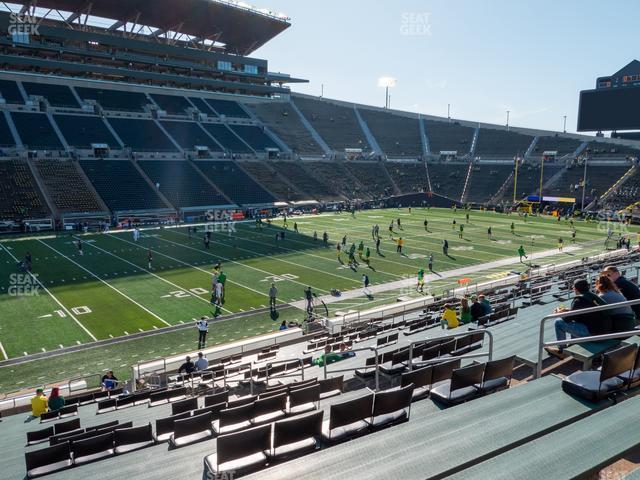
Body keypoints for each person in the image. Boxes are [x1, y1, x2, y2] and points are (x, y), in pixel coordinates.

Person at [545, 279, 610, 358]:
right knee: (576, 323)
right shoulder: (592, 296)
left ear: (575, 289)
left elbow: (567, 319)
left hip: (594, 335)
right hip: (605, 332)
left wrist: (559, 312)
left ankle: (561, 351)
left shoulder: (579, 300)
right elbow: (582, 312)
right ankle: (572, 344)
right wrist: (567, 310)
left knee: (558, 322)